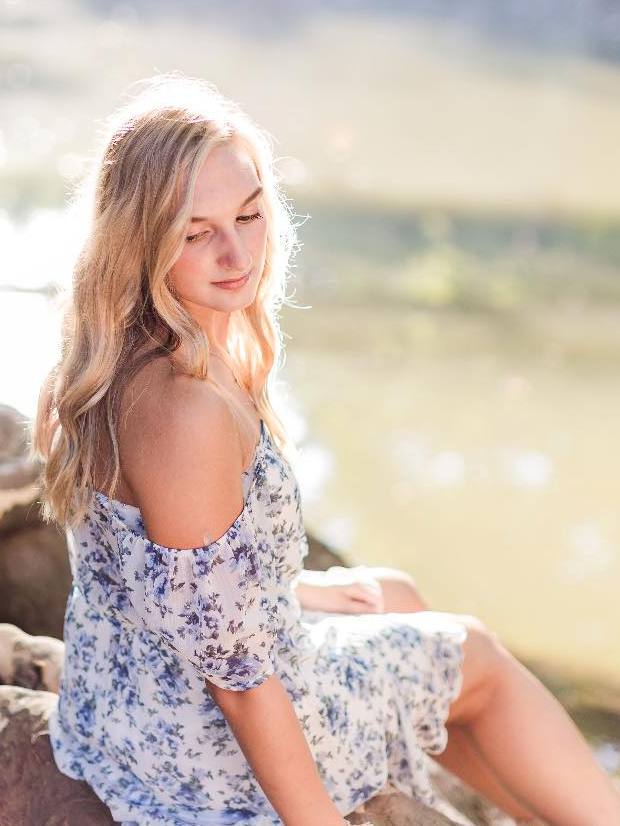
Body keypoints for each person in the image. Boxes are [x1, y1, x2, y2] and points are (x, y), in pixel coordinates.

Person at [31, 73, 620, 826]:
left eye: (249, 215)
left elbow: (157, 573)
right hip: (196, 753)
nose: (236, 252)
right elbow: (240, 683)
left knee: (392, 595)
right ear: (138, 238)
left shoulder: (108, 351)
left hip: (123, 696)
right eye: (196, 232)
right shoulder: (185, 410)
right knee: (474, 654)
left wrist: (297, 591)